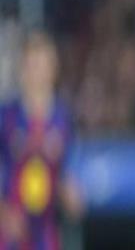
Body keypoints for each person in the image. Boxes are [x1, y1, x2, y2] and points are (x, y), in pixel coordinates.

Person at [0, 31, 83, 249]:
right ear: (22, 70)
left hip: (45, 235)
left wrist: (70, 193)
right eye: (31, 65)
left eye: (42, 65)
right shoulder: (6, 116)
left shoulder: (63, 119)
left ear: (53, 69)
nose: (36, 73)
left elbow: (70, 174)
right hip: (9, 233)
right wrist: (3, 212)